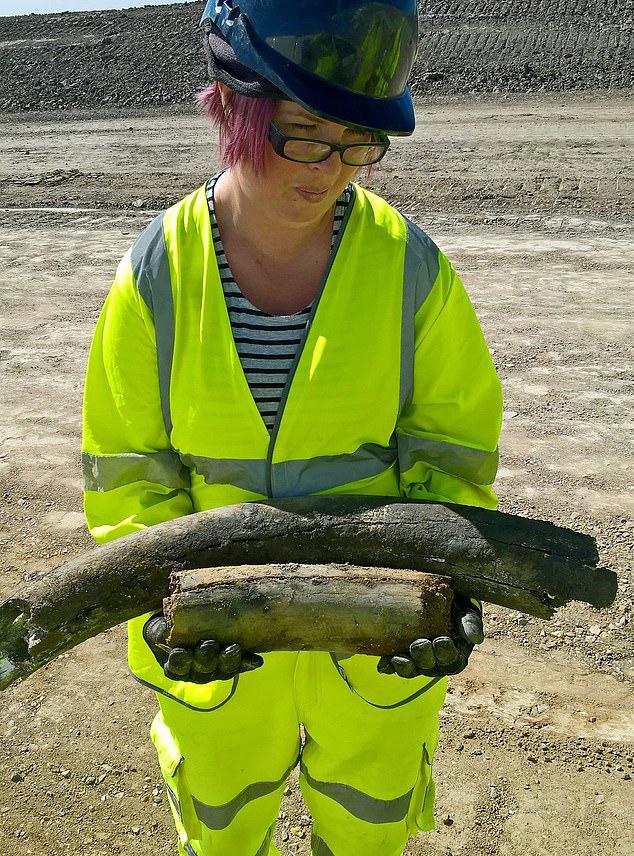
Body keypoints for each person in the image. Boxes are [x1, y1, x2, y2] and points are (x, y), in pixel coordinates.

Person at [81, 2, 502, 854]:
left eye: (357, 142)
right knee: (224, 824)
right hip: (215, 649)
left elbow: (454, 455)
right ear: (232, 106)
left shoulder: (411, 270)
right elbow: (129, 476)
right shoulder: (157, 276)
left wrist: (448, 584)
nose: (330, 170)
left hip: (381, 640)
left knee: (370, 820)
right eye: (304, 135)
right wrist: (165, 612)